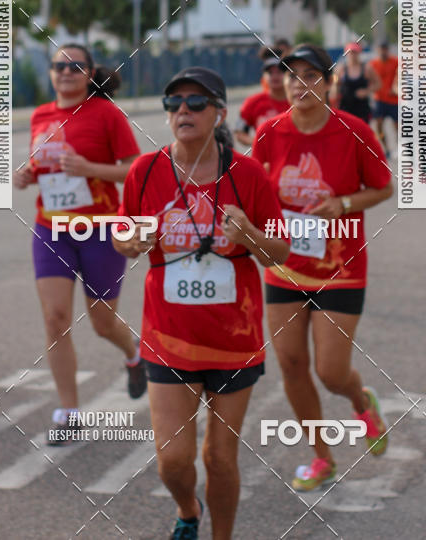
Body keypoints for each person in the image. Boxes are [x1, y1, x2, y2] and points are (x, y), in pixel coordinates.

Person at [115, 66, 287, 540]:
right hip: (168, 335)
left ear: (219, 112)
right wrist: (133, 241)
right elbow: (122, 234)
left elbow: (280, 253)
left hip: (234, 337)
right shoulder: (145, 170)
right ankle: (188, 510)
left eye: (195, 103)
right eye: (174, 104)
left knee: (219, 457)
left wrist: (249, 233)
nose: (183, 111)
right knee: (173, 460)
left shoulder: (248, 173)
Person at [252, 44, 393, 492]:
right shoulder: (270, 131)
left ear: (329, 83)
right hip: (285, 265)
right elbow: (254, 186)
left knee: (331, 371)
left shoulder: (353, 131)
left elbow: (383, 187)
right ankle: (321, 457)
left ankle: (360, 399)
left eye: (311, 75)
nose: (300, 83)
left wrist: (343, 204)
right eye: (292, 75)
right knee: (292, 364)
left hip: (341, 268)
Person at [13, 43, 143, 442]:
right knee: (55, 320)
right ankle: (69, 412)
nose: (65, 72)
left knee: (103, 322)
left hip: (101, 229)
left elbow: (133, 171)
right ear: (50, 73)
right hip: (52, 229)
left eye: (75, 66)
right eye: (58, 66)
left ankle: (135, 354)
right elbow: (44, 165)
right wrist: (28, 175)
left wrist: (89, 169)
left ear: (89, 73)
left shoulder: (106, 114)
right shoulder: (41, 115)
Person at [235, 48, 289, 147]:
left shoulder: (298, 101)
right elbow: (239, 132)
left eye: (279, 71)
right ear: (263, 76)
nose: (275, 76)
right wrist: (257, 142)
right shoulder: (252, 102)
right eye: (270, 72)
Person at [331, 42, 380, 123]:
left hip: (362, 108)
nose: (352, 55)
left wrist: (366, 91)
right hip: (345, 107)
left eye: (355, 52)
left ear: (359, 53)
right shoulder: (340, 69)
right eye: (350, 52)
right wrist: (335, 86)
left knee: (361, 133)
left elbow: (378, 84)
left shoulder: (367, 68)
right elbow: (334, 90)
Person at [369, 41, 399, 155]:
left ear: (388, 50)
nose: (383, 52)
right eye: (381, 49)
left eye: (385, 49)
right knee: (379, 125)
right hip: (379, 99)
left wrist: (396, 87)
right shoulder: (373, 64)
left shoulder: (395, 62)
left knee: (398, 126)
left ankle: (399, 145)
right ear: (377, 50)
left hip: (394, 100)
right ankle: (386, 148)